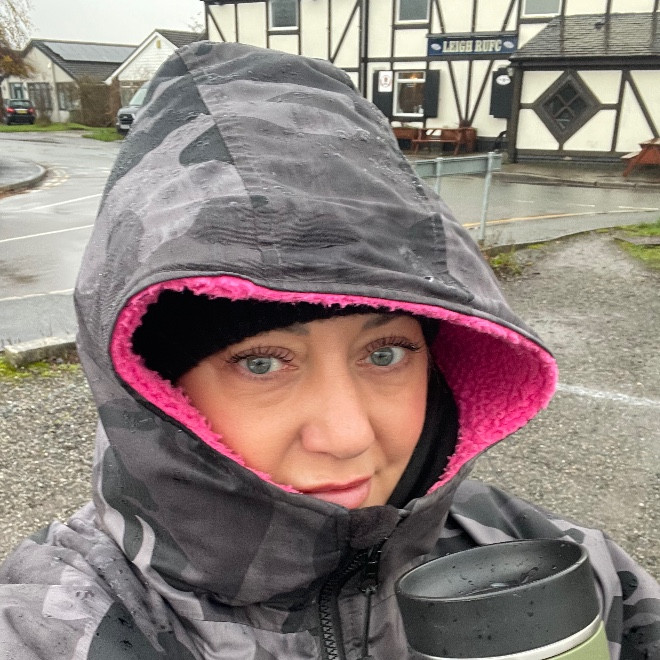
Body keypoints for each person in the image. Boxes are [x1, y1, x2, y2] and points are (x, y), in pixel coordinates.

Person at [0, 42, 658, 659]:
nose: (348, 437)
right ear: (155, 389)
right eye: (261, 362)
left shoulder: (551, 562)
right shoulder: (60, 624)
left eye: (386, 353)